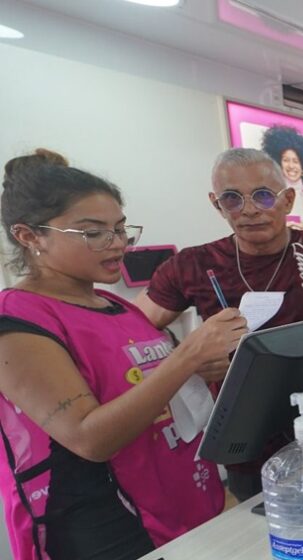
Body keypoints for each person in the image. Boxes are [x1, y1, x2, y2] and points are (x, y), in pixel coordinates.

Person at [0, 150, 248, 559]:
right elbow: (88, 437)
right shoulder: (18, 320)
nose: (117, 244)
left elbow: (153, 395)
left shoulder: (122, 308)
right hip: (108, 526)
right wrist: (185, 358)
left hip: (185, 502)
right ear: (29, 236)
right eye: (92, 232)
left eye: (120, 229)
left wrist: (203, 370)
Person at [134, 148, 303, 500]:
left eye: (263, 196)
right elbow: (130, 335)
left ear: (287, 199)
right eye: (232, 199)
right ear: (216, 204)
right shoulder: (193, 265)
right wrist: (186, 358)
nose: (249, 210)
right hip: (247, 440)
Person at [260, 126, 303, 231]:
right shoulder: (268, 198)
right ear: (278, 163)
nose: (291, 166)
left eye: (296, 161)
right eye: (286, 160)